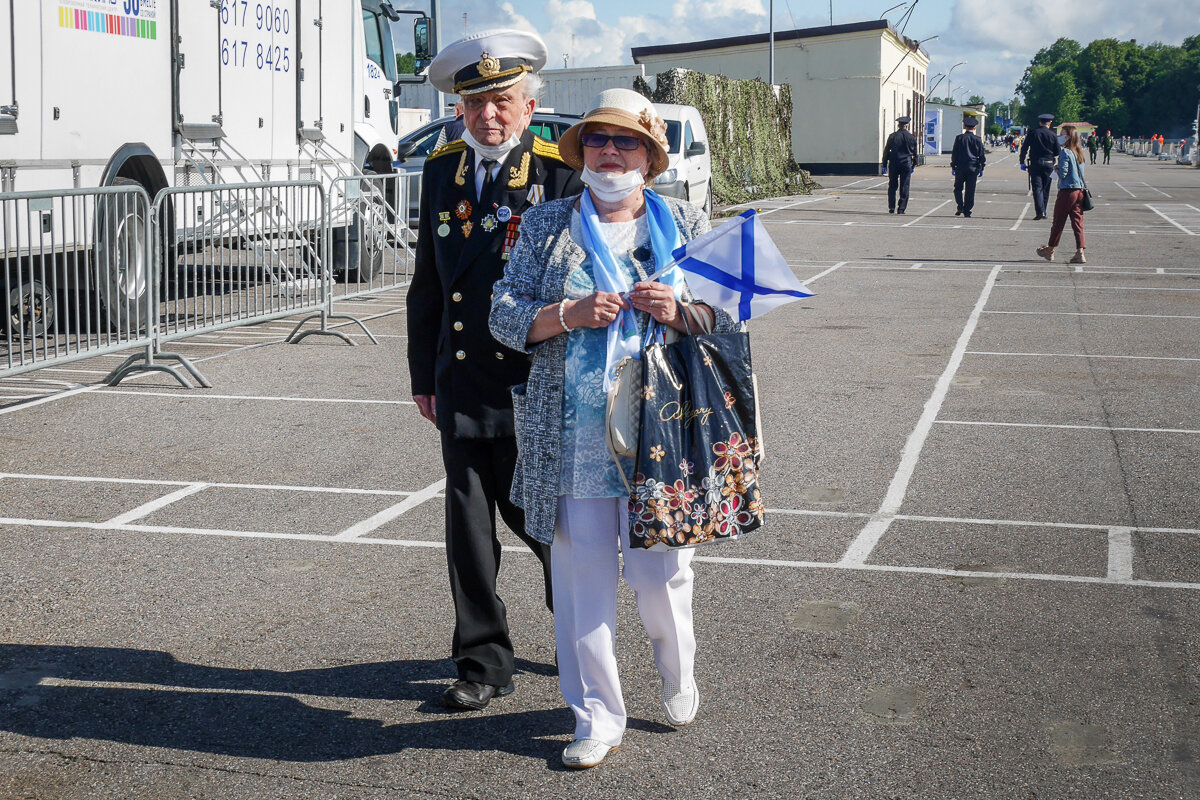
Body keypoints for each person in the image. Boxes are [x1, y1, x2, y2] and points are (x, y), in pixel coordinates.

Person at [489, 88, 737, 769]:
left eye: (624, 141)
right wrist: (566, 313)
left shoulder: (684, 223)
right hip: (572, 440)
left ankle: (678, 671)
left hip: (663, 435)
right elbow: (503, 314)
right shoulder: (545, 226)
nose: (608, 152)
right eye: (597, 140)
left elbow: (731, 315)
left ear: (651, 158)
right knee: (581, 586)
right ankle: (595, 715)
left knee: (661, 577)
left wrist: (683, 311)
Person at [406, 28, 584, 712]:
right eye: (475, 103)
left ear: (529, 106)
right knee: (468, 530)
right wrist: (423, 374)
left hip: (535, 387)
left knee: (547, 527)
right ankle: (483, 661)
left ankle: (578, 638)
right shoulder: (440, 172)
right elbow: (429, 282)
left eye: (503, 101)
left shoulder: (557, 178)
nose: (489, 115)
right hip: (461, 381)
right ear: (458, 110)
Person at [1036, 125, 1087, 264]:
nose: (1060, 136)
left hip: (1067, 192)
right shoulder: (1079, 153)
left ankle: (1050, 250)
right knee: (1078, 223)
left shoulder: (1066, 153)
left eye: (1062, 134)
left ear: (1068, 136)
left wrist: (1057, 168)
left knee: (1058, 222)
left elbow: (1063, 174)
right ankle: (1080, 252)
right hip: (1079, 191)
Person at [1020, 113, 1060, 221]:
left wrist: (1021, 161)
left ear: (1040, 122)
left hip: (1035, 164)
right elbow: (1057, 151)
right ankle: (1044, 211)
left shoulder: (1033, 133)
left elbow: (1024, 148)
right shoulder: (1053, 135)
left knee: (1037, 188)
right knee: (1046, 189)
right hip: (1048, 164)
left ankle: (1039, 211)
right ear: (1050, 123)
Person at [881, 116, 918, 214]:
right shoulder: (912, 137)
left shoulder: (892, 136)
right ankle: (901, 208)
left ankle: (891, 207)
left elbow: (886, 151)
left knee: (892, 185)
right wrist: (913, 165)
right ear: (907, 126)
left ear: (898, 125)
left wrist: (884, 164)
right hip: (906, 163)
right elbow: (915, 153)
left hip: (894, 163)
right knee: (904, 186)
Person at [950, 117, 986, 217]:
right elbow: (981, 155)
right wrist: (981, 167)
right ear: (975, 127)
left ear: (965, 126)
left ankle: (960, 205)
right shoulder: (977, 139)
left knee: (958, 188)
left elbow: (955, 153)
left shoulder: (959, 138)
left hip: (960, 167)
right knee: (970, 190)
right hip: (973, 167)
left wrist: (953, 166)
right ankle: (967, 210)